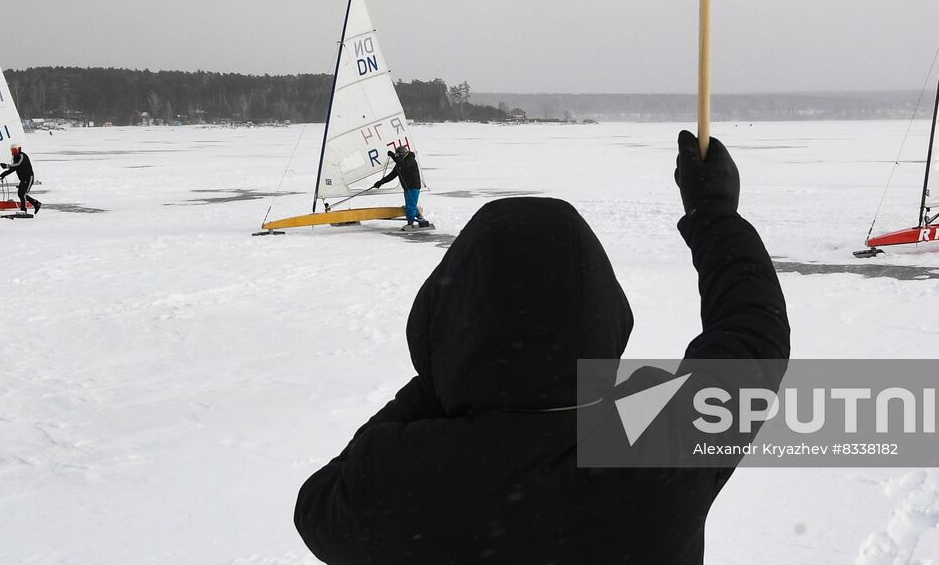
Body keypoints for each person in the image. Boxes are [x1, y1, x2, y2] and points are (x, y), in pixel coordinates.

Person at [294, 131, 790, 564]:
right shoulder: (657, 450)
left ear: (444, 316)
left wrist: (444, 374)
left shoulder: (391, 480)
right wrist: (715, 217)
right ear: (603, 313)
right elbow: (753, 335)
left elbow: (315, 507)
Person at [373, 143, 430, 230]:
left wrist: (393, 156)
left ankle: (410, 224)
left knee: (410, 207)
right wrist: (381, 182)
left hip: (413, 187)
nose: (397, 156)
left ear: (402, 154)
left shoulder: (410, 160)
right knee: (411, 205)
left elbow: (405, 165)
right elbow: (392, 175)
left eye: (398, 155)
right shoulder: (400, 163)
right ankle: (420, 217)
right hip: (407, 187)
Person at [0, 144, 42, 216]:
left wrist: (7, 166)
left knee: (23, 194)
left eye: (15, 150)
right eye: (12, 151)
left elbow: (19, 164)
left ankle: (23, 211)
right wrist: (4, 174)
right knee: (21, 194)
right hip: (23, 179)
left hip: (28, 178)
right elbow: (14, 168)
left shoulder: (22, 156)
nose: (14, 152)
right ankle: (36, 203)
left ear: (19, 149)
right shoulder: (15, 157)